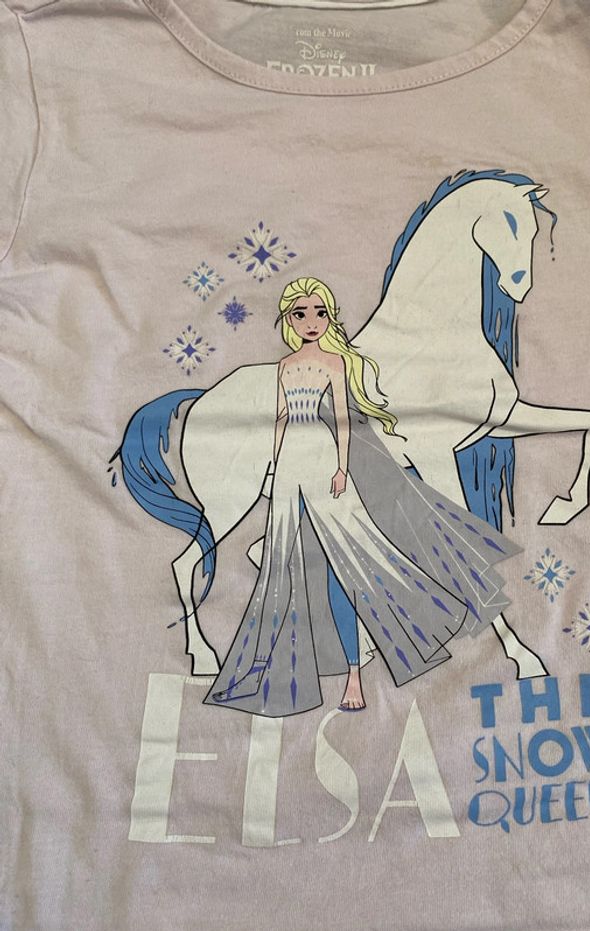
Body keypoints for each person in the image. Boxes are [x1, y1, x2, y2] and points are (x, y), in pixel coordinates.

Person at [203, 276, 524, 718]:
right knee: (283, 565)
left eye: (320, 313)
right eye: (301, 314)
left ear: (329, 317)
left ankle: (356, 672)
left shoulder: (335, 363)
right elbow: (281, 418)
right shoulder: (285, 366)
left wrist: (340, 467)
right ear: (288, 320)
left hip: (324, 465)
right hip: (289, 469)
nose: (311, 321)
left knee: (349, 566)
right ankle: (278, 666)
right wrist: (274, 464)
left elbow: (341, 418)